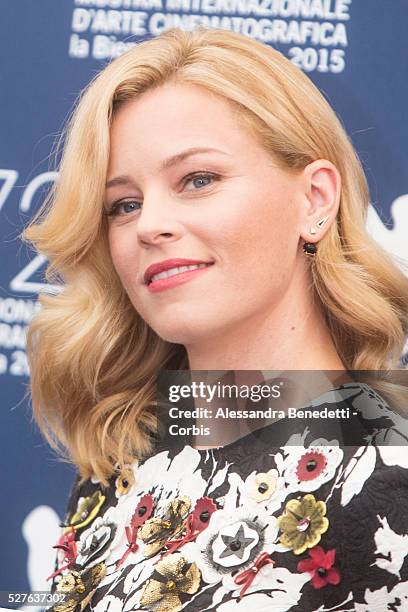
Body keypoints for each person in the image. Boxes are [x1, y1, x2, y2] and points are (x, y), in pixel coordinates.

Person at [22, 26, 408, 611]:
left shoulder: (389, 480)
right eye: (124, 204)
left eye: (197, 180)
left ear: (315, 201)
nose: (149, 224)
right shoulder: (122, 458)